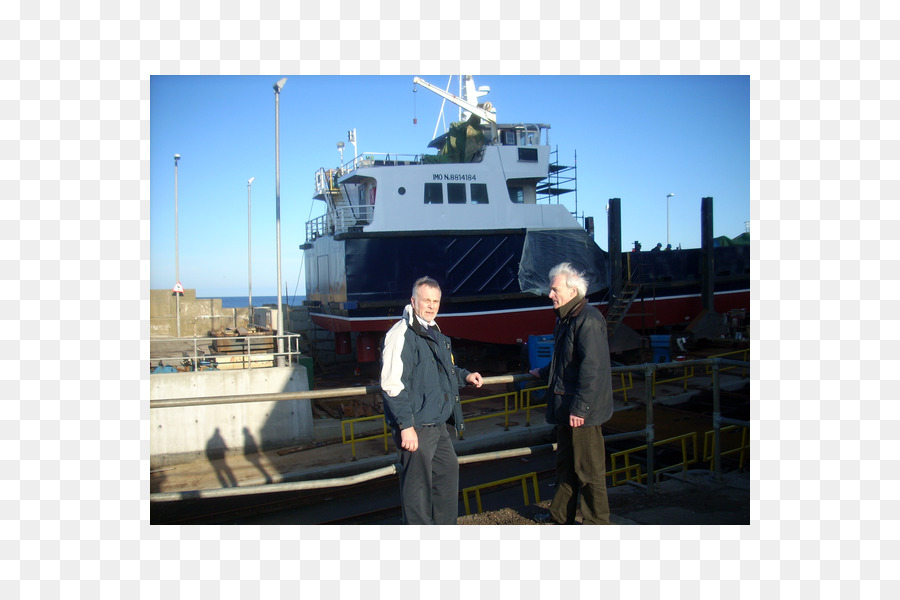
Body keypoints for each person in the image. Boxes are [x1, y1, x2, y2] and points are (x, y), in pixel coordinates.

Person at [381, 276, 484, 524]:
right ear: (413, 301)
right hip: (416, 426)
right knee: (416, 491)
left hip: (438, 425)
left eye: (435, 301)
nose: (431, 305)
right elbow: (392, 384)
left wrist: (465, 375)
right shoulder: (402, 334)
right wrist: (406, 426)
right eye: (426, 300)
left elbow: (442, 371)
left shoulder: (433, 330)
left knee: (447, 474)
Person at [529, 262, 614, 524]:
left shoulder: (587, 320)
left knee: (588, 472)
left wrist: (581, 408)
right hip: (569, 409)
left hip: (581, 413)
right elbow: (567, 360)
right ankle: (559, 517)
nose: (549, 294)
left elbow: (593, 368)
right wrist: (543, 372)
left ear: (572, 290)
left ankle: (596, 523)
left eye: (554, 289)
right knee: (565, 466)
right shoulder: (568, 319)